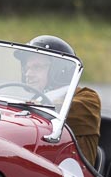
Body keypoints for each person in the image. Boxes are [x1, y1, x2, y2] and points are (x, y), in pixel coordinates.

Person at [18, 35, 101, 167]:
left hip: (76, 176)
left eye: (37, 67)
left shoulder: (87, 98)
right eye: (27, 68)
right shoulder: (33, 101)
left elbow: (58, 112)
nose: (28, 74)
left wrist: (25, 108)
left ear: (59, 70)